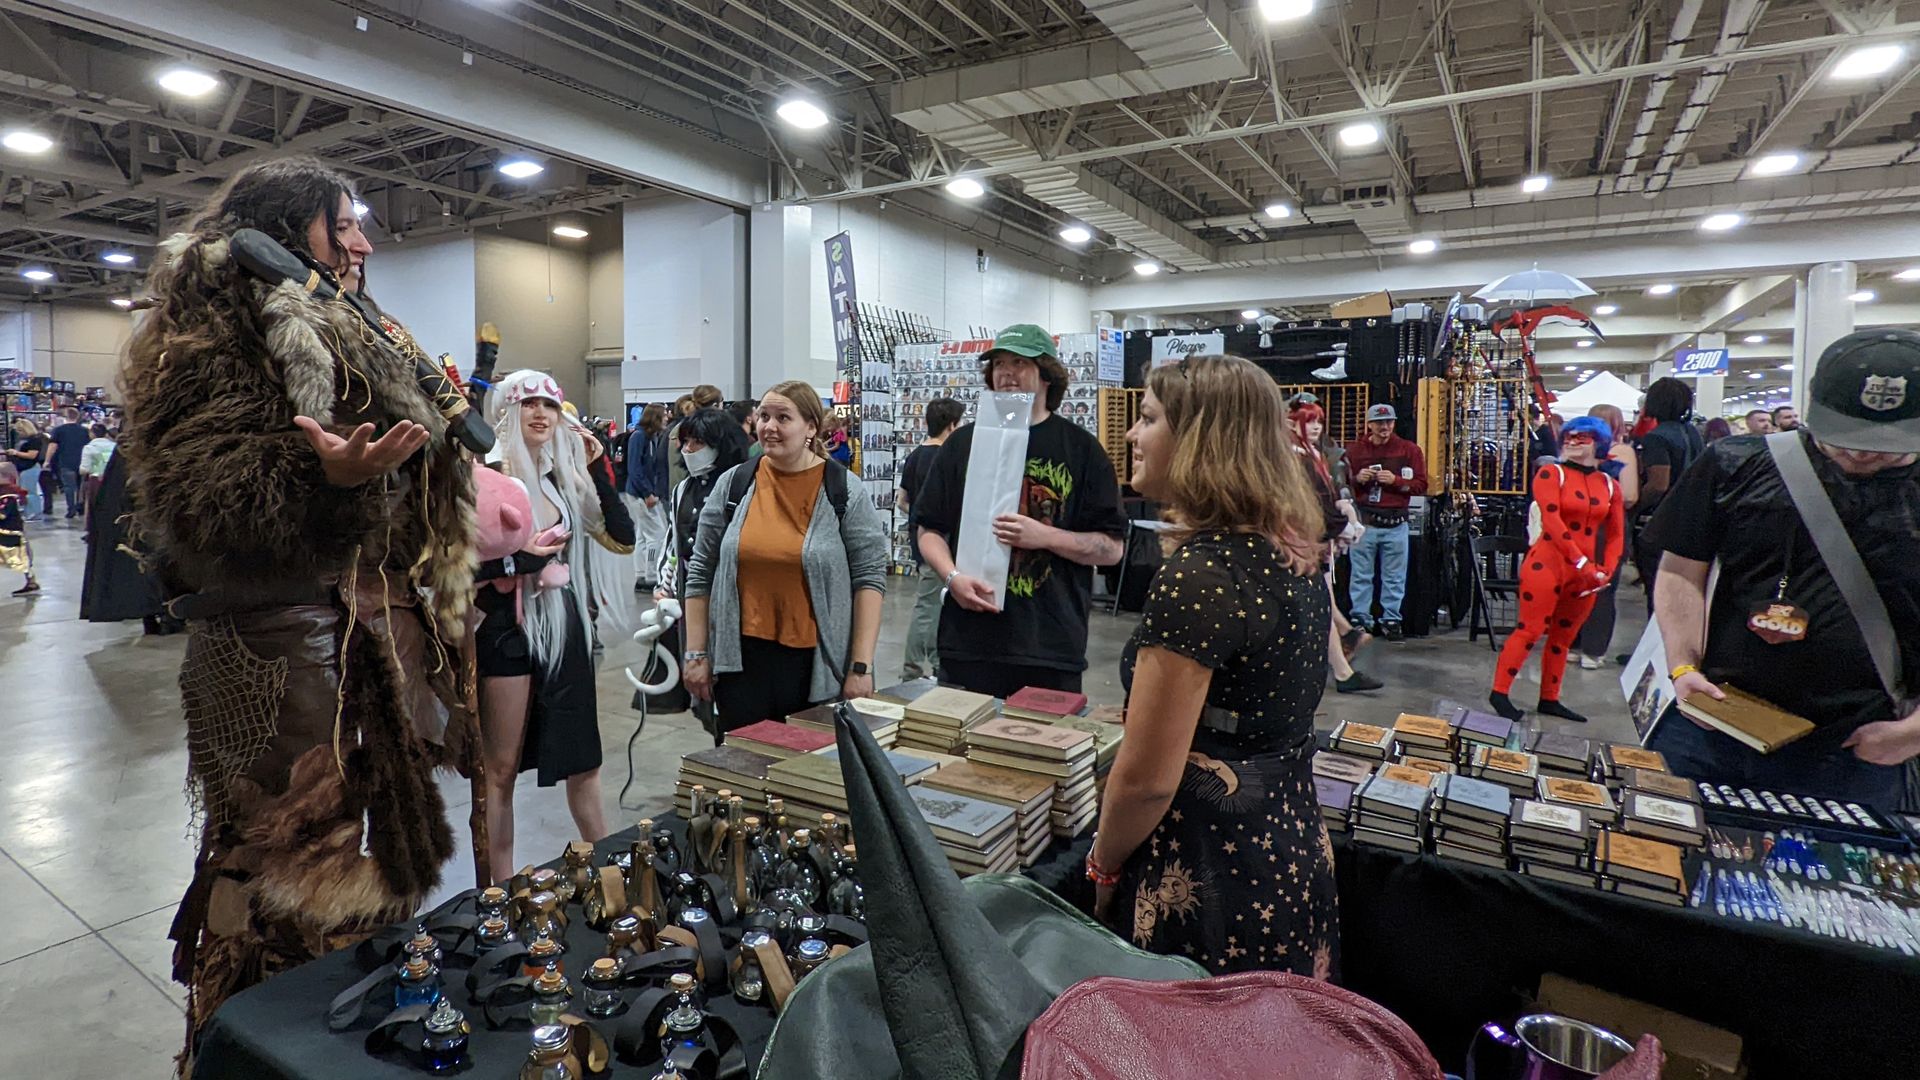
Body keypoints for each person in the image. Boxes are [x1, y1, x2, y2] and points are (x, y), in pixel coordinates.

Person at [119, 158, 478, 1062]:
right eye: (341, 224)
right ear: (284, 228)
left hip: (373, 642)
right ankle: (260, 1055)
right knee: (280, 884)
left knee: (369, 874)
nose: (361, 244)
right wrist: (323, 479)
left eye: (358, 226)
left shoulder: (352, 326)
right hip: (283, 654)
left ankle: (346, 1044)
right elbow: (201, 501)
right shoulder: (217, 326)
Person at [1087, 354, 1337, 977]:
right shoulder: (1290, 546)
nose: (1131, 434)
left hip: (1209, 872)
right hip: (1288, 848)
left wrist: (1102, 866)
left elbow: (1147, 780)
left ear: (1200, 438)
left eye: (1148, 418)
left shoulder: (1203, 573)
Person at [1644, 330, 1920, 807]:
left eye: (1884, 443)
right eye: (1845, 437)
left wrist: (1912, 734)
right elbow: (1681, 570)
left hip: (1864, 742)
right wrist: (1682, 666)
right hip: (1716, 716)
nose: (1861, 453)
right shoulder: (1735, 464)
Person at [473, 370, 634, 882]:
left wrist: (598, 465)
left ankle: (608, 872)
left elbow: (622, 536)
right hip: (505, 626)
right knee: (500, 769)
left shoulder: (562, 478)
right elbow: (448, 567)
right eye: (528, 404)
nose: (540, 414)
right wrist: (516, 561)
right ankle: (501, 887)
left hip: (563, 625)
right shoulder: (484, 475)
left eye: (548, 404)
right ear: (507, 411)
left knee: (584, 758)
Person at [913, 324, 1126, 698]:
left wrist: (1045, 536)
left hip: (1049, 646)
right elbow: (929, 528)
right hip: (968, 641)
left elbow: (1112, 549)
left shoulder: (1081, 450)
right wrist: (952, 577)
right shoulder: (962, 444)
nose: (1006, 372)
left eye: (1019, 362)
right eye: (999, 364)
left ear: (1046, 374)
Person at [683, 380, 889, 733]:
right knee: (742, 759)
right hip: (740, 663)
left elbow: (869, 578)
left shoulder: (843, 490)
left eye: (783, 418)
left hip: (816, 665)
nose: (769, 427)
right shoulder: (734, 484)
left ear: (811, 427)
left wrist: (861, 667)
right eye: (763, 416)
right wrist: (696, 653)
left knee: (809, 762)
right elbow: (701, 570)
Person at [1488, 416, 1626, 724]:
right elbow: (1552, 521)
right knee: (1530, 629)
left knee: (1564, 637)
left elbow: (1617, 534)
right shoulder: (1551, 474)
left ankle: (1550, 697)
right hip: (1547, 565)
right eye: (1569, 437)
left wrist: (1607, 568)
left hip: (1585, 574)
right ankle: (1500, 692)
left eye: (1582, 437)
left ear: (1598, 442)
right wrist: (1583, 563)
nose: (1573, 442)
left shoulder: (1609, 485)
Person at [652, 407, 751, 730]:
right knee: (699, 682)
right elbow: (673, 541)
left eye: (697, 442)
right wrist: (665, 584)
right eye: (685, 442)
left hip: (733, 600)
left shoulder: (743, 486)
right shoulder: (683, 489)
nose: (688, 449)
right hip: (689, 599)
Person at [1288, 400, 1381, 694]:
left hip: (1313, 540)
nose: (1316, 426)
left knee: (1321, 603)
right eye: (1309, 421)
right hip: (1303, 542)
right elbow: (1312, 503)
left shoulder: (1311, 455)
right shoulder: (1295, 457)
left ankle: (1343, 663)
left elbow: (1325, 499)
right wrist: (1342, 525)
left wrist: (1343, 517)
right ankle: (1343, 657)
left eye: (1318, 421)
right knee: (1319, 603)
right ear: (1292, 423)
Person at [1343, 403, 1427, 641]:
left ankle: (1391, 619)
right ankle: (1361, 619)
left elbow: (1421, 485)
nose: (1385, 427)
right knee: (1361, 575)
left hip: (1396, 523)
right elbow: (1341, 485)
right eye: (1379, 422)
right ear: (1369, 424)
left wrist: (1396, 481)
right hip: (1365, 522)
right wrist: (1357, 479)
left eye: (1389, 421)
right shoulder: (1355, 451)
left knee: (1395, 576)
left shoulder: (1409, 450)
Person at [897, 396, 965, 681]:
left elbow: (902, 501)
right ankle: (912, 669)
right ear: (952, 425)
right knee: (928, 606)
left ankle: (937, 663)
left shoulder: (915, 456)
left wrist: (920, 518)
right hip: (942, 545)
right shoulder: (946, 458)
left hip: (922, 541)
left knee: (934, 604)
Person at [1574, 404, 1638, 670]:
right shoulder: (1622, 452)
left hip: (1578, 523)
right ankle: (1593, 650)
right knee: (1601, 587)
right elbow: (1630, 495)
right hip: (1607, 525)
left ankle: (1575, 644)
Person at [1631, 377, 1703, 613]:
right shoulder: (1693, 433)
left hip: (1660, 522)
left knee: (1656, 589)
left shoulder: (1656, 437)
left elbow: (1658, 484)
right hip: (1691, 520)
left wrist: (1633, 507)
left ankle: (1656, 636)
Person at [625, 403, 670, 588]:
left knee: (643, 535)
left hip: (642, 493)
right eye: (664, 415)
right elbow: (635, 468)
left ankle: (641, 574)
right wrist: (647, 493)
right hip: (640, 494)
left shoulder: (651, 437)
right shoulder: (639, 437)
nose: (667, 417)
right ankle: (651, 575)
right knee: (656, 535)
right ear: (655, 418)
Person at [668, 385, 724, 493]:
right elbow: (678, 473)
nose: (688, 448)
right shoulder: (684, 430)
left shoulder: (681, 429)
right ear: (716, 405)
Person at [0, 461, 37, 596]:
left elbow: (3, 514)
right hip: (9, 530)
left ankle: (31, 581)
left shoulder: (8, 494)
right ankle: (31, 581)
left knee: (22, 557)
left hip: (10, 532)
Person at [47, 406, 88, 519]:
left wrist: (47, 460)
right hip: (82, 461)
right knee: (80, 486)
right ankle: (80, 507)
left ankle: (71, 509)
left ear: (65, 416)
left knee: (69, 487)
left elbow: (53, 446)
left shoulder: (58, 430)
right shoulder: (84, 430)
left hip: (65, 461)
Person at [6, 418, 45, 521]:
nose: (18, 433)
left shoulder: (34, 440)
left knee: (30, 492)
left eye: (20, 431)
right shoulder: (24, 440)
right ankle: (29, 512)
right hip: (23, 468)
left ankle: (35, 513)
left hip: (30, 467)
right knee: (24, 492)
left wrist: (16, 453)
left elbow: (32, 455)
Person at [79, 423, 114, 522]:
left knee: (94, 506)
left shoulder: (89, 448)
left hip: (95, 480)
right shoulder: (114, 446)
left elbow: (84, 469)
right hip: (112, 479)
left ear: (92, 434)